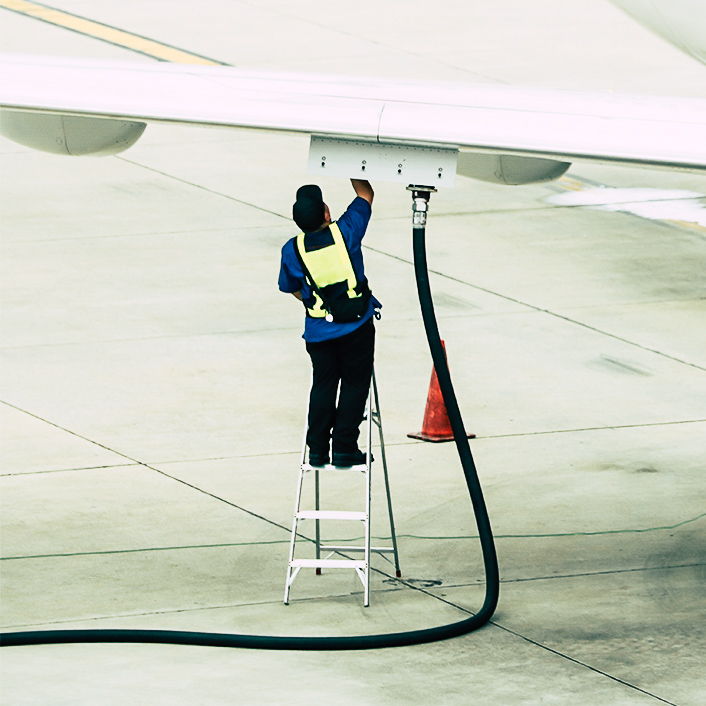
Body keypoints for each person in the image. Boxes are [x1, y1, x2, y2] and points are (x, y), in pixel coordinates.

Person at [278, 179, 380, 467]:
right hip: (356, 325)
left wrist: (316, 302)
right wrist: (352, 161)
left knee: (323, 385)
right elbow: (366, 194)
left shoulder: (292, 250)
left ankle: (318, 449)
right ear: (326, 212)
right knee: (354, 384)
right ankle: (345, 446)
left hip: (319, 332)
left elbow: (292, 288)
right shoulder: (346, 231)